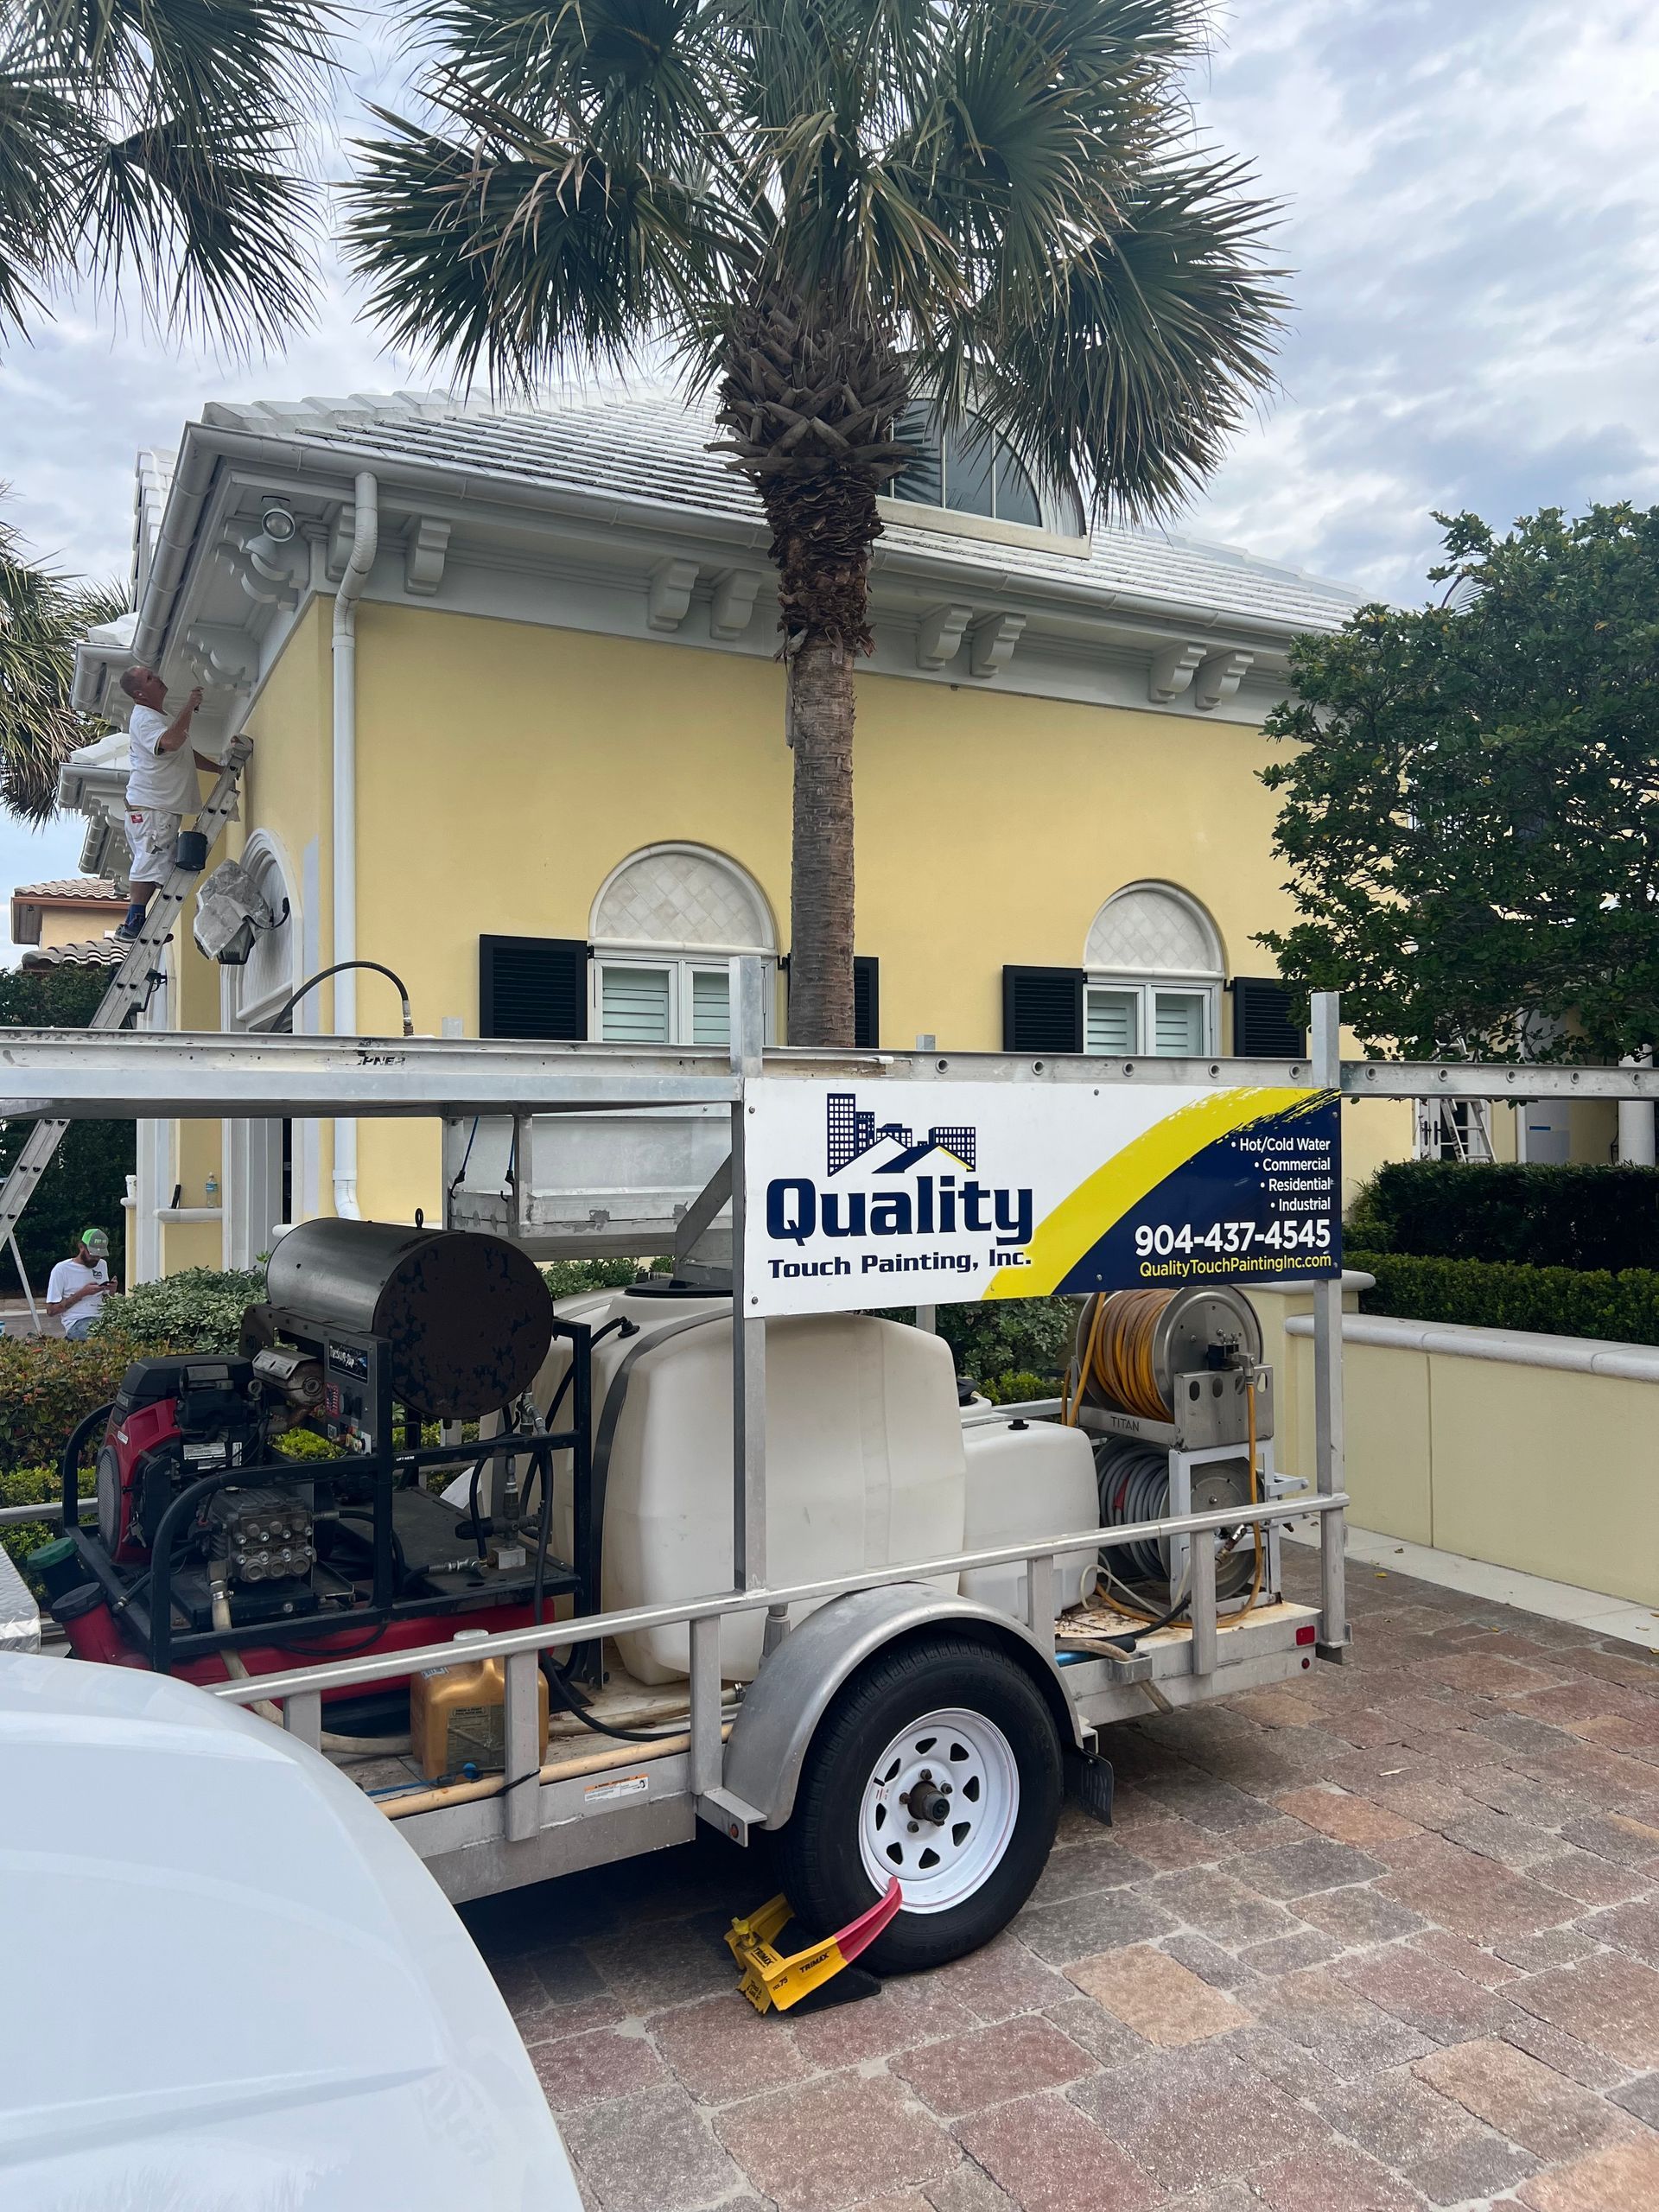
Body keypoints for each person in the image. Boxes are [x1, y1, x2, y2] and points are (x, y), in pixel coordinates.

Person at [113, 665, 221, 939]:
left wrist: (219, 769)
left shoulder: (156, 717)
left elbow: (182, 752)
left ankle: (137, 921)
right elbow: (172, 742)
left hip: (156, 808)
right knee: (149, 863)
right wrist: (190, 706)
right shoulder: (145, 719)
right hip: (152, 809)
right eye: (150, 678)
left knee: (156, 865)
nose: (158, 678)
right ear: (140, 693)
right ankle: (134, 922)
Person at [46, 1229, 112, 1341]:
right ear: (81, 1247)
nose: (96, 1259)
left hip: (102, 1318)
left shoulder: (102, 1265)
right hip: (78, 1321)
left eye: (100, 1255)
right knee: (100, 1338)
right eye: (93, 1254)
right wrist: (82, 1293)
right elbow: (51, 1311)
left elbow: (106, 1298)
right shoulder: (62, 1269)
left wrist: (111, 1290)